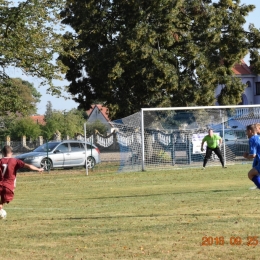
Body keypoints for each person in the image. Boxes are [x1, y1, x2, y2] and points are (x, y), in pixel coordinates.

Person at [0, 145, 44, 212]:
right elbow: (28, 166)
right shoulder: (15, 161)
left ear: (3, 153)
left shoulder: (0, 161)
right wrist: (38, 169)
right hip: (8, 186)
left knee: (1, 203)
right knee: (2, 203)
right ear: (11, 153)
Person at [243, 124, 260, 189]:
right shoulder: (259, 137)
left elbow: (253, 155)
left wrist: (246, 156)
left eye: (246, 131)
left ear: (250, 131)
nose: (246, 133)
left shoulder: (252, 139)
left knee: (250, 174)